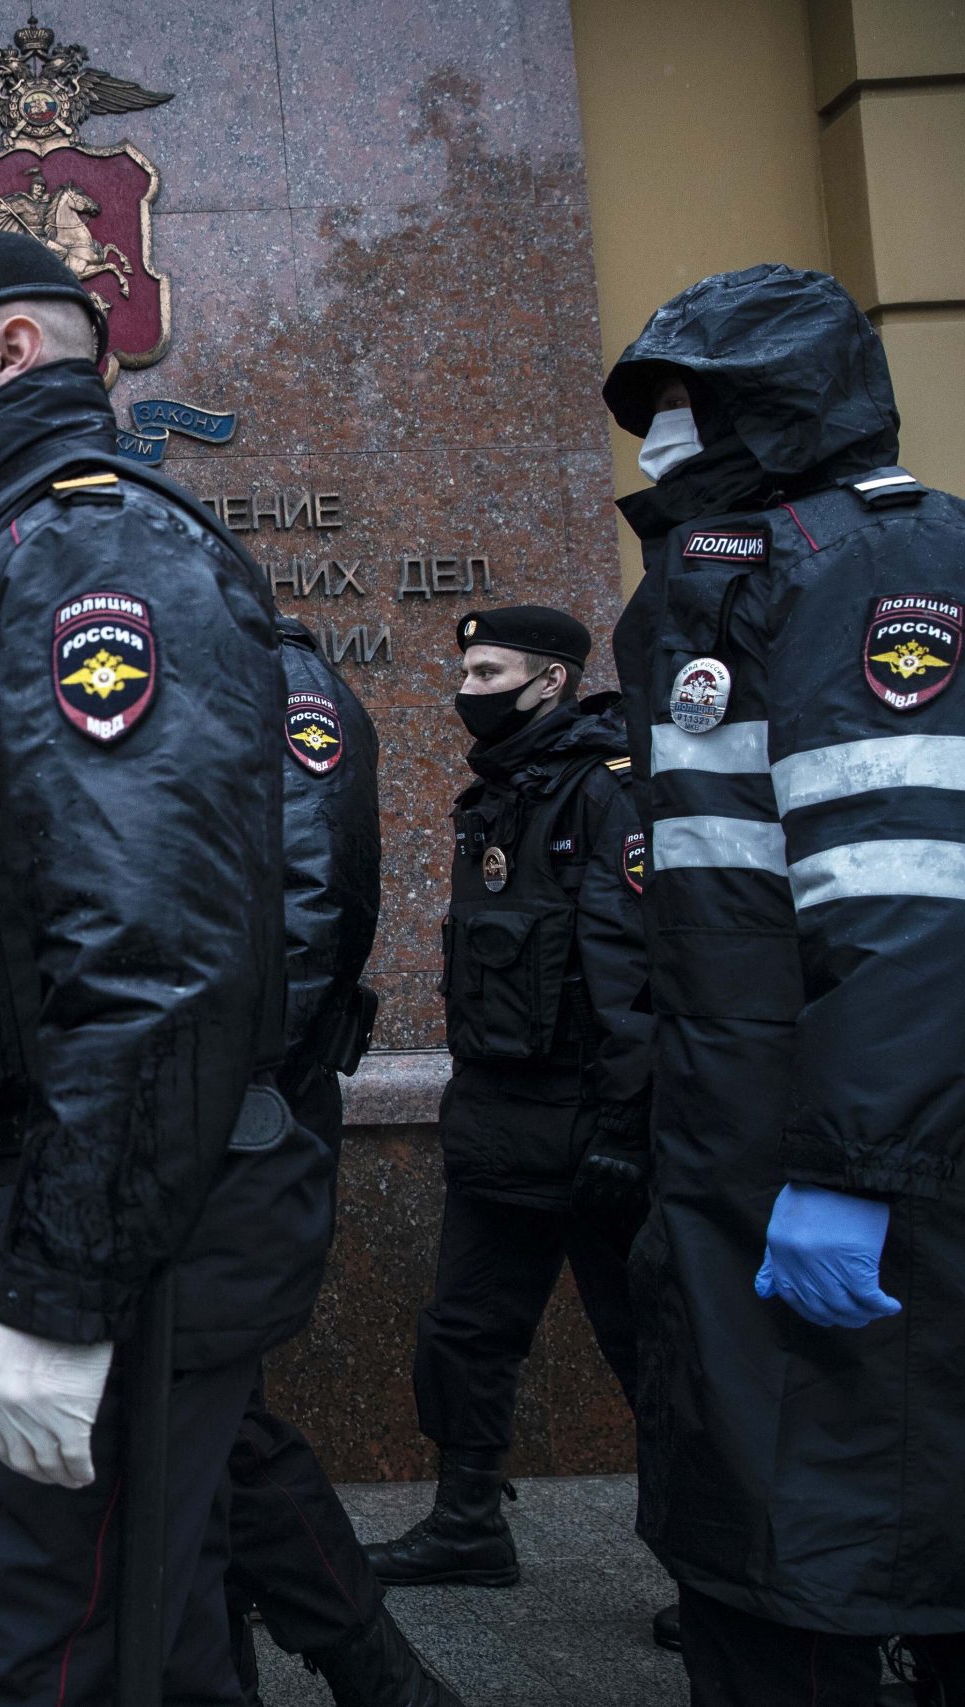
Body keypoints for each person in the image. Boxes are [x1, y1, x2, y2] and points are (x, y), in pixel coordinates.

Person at [0, 229, 294, 1705]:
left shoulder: (84, 546)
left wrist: (62, 1296)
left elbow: (154, 953)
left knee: (11, 1662)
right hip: (28, 1192)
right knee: (144, 1641)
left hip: (95, 1224)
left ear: (10, 349)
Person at [605, 264, 965, 1705]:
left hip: (853, 1161)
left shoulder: (871, 564)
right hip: (742, 1132)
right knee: (763, 1541)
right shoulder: (737, 570)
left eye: (684, 401)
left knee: (848, 1540)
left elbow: (906, 900)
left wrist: (856, 1168)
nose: (661, 436)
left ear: (774, 402)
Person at [363, 607, 658, 1620]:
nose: (467, 690)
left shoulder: (607, 790)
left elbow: (635, 973)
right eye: (466, 671)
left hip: (595, 1129)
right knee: (462, 1332)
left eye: (488, 672)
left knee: (653, 1354)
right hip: (500, 1121)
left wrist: (626, 1129)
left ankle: (712, 1569)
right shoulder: (496, 794)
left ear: (551, 680)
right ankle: (467, 1523)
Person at [220, 617, 461, 1707]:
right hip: (205, 1102)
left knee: (208, 1415)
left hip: (241, 1107)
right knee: (193, 1417)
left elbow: (311, 901)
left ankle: (377, 1671)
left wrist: (227, 1085)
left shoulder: (284, 681)